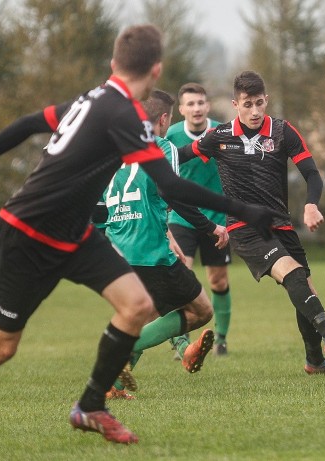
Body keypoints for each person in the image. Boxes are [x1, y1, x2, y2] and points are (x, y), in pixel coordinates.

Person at [0, 25, 283, 450]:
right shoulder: (120, 113)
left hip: (75, 234)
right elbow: (172, 187)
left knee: (137, 305)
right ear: (156, 69)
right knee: (0, 347)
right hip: (26, 237)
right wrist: (245, 210)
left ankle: (91, 404)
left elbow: (31, 122)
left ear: (113, 64)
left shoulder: (95, 100)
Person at [177, 70, 325, 375]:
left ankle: (315, 361)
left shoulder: (283, 132)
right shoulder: (219, 137)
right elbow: (179, 156)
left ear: (266, 100)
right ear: (235, 104)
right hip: (244, 229)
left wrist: (311, 204)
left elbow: (311, 174)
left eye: (259, 103)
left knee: (305, 290)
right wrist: (141, 163)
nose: (255, 111)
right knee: (293, 275)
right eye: (247, 104)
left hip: (281, 225)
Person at [99, 89, 227, 400]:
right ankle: (121, 354)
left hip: (117, 251)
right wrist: (210, 227)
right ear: (164, 119)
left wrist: (168, 238)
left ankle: (113, 386)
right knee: (200, 310)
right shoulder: (162, 146)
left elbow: (104, 207)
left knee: (150, 312)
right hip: (147, 253)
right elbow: (172, 193)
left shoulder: (113, 154)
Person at [165, 82, 233, 356]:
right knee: (182, 276)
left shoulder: (221, 133)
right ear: (181, 109)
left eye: (200, 103)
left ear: (207, 105)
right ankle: (183, 343)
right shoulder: (170, 136)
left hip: (217, 220)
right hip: (182, 218)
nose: (196, 108)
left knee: (218, 280)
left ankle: (222, 338)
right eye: (190, 104)